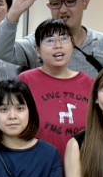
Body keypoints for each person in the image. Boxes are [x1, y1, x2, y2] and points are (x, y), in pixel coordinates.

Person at [0, 0, 103, 77]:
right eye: (56, 3)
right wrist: (14, 13)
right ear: (49, 6)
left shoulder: (102, 42)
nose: (63, 9)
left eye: (70, 1)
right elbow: (2, 51)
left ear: (85, 2)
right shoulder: (38, 42)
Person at [18, 19, 94, 156]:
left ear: (73, 46)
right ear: (38, 50)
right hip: (38, 163)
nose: (58, 45)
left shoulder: (89, 84)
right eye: (50, 40)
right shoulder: (25, 81)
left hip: (83, 163)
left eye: (64, 39)